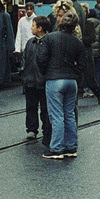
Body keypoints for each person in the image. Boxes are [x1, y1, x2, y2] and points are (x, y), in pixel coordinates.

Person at [37, 12, 86, 159]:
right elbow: (83, 64)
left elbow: (41, 58)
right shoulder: (77, 42)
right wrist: (74, 73)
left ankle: (56, 148)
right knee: (69, 114)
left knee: (56, 115)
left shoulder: (50, 38)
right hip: (71, 81)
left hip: (55, 79)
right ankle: (71, 147)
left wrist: (46, 73)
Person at [20, 14, 52, 147]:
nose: (31, 28)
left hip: (43, 80)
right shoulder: (30, 42)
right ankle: (32, 129)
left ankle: (46, 129)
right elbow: (25, 59)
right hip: (30, 80)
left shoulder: (49, 42)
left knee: (45, 108)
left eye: (33, 25)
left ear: (39, 28)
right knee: (31, 106)